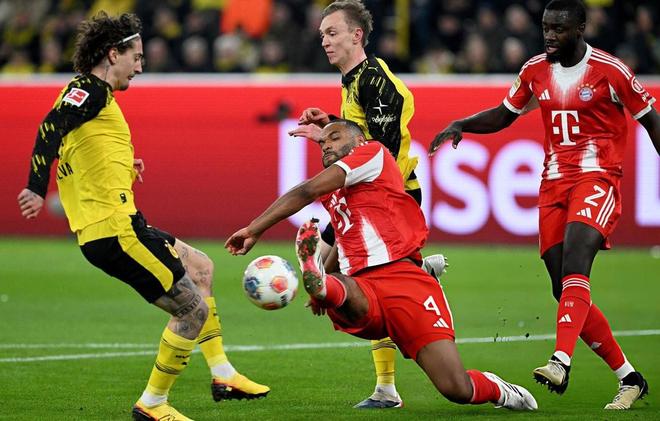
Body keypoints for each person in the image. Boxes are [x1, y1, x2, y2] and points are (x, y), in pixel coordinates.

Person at [16, 12, 269, 421]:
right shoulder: (88, 89)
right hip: (113, 231)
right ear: (112, 54)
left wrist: (123, 165)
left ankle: (223, 374)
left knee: (201, 268)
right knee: (192, 310)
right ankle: (152, 404)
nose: (139, 66)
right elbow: (51, 127)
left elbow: (77, 148)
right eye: (135, 57)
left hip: (124, 223)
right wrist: (34, 185)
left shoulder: (95, 97)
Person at [429, 0, 658, 410]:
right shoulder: (535, 70)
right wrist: (462, 124)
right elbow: (504, 115)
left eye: (559, 29)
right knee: (562, 286)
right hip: (553, 184)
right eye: (546, 27)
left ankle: (560, 361)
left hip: (598, 177)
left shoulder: (611, 71)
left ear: (581, 28)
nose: (550, 35)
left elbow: (651, 120)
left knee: (576, 264)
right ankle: (630, 378)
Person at [226, 119, 538, 413]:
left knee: (456, 389)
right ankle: (323, 285)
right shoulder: (338, 192)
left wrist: (254, 229)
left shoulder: (372, 153)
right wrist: (324, 285)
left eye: (334, 137)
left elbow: (306, 190)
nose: (326, 144)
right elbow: (342, 240)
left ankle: (499, 389)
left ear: (359, 140)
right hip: (362, 285)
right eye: (322, 142)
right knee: (345, 291)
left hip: (404, 282)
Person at [288, 0, 447, 408]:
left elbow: (380, 154)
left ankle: (388, 385)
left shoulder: (375, 81)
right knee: (336, 275)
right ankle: (387, 383)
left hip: (387, 200)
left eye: (332, 33)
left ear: (357, 35)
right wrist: (329, 126)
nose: (325, 41)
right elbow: (360, 139)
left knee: (344, 277)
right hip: (364, 197)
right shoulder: (354, 81)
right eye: (322, 34)